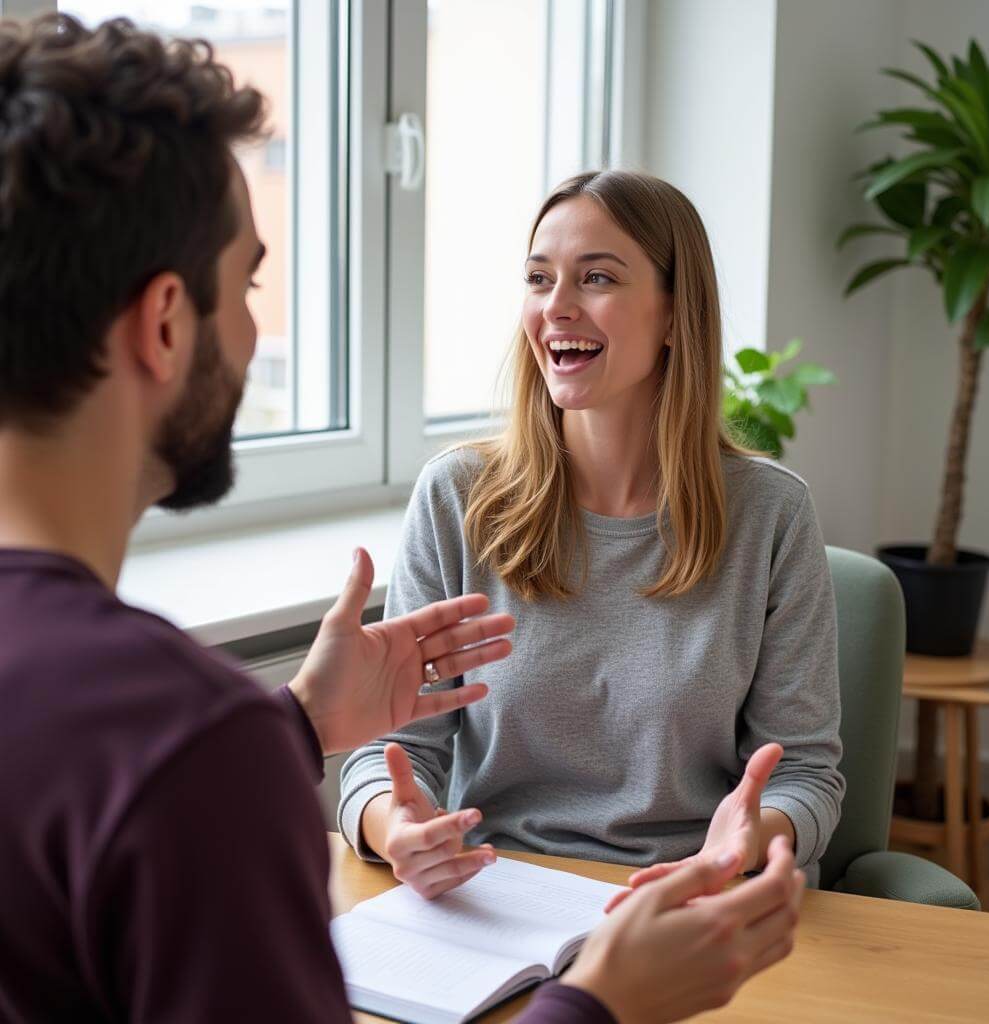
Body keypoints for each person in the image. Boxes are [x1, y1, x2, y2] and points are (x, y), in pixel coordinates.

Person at [0, 14, 804, 1024]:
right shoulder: (188, 744)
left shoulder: (183, 740)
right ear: (165, 324)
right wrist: (598, 1004)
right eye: (247, 282)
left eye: (596, 276)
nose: (258, 333)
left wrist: (292, 726)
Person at [340, 170, 845, 899]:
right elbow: (390, 751)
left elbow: (802, 772)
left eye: (597, 278)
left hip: (691, 897)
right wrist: (398, 831)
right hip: (498, 894)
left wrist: (752, 839)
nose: (557, 307)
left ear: (675, 315)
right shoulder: (457, 500)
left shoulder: (771, 516)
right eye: (539, 279)